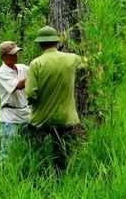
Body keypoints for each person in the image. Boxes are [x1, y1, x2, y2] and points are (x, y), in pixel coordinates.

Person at [26, 26, 86, 171]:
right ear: (57, 42)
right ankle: (62, 180)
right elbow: (87, 63)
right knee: (63, 155)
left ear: (40, 44)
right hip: (67, 118)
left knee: (38, 156)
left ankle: (39, 178)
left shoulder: (36, 64)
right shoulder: (72, 59)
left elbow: (30, 94)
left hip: (41, 120)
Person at [0, 41, 31, 163]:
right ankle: (3, 175)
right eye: (12, 54)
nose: (15, 56)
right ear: (3, 57)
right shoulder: (0, 73)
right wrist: (34, 75)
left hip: (26, 114)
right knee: (7, 151)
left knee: (27, 148)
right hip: (10, 118)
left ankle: (23, 171)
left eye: (16, 53)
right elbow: (19, 86)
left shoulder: (23, 68)